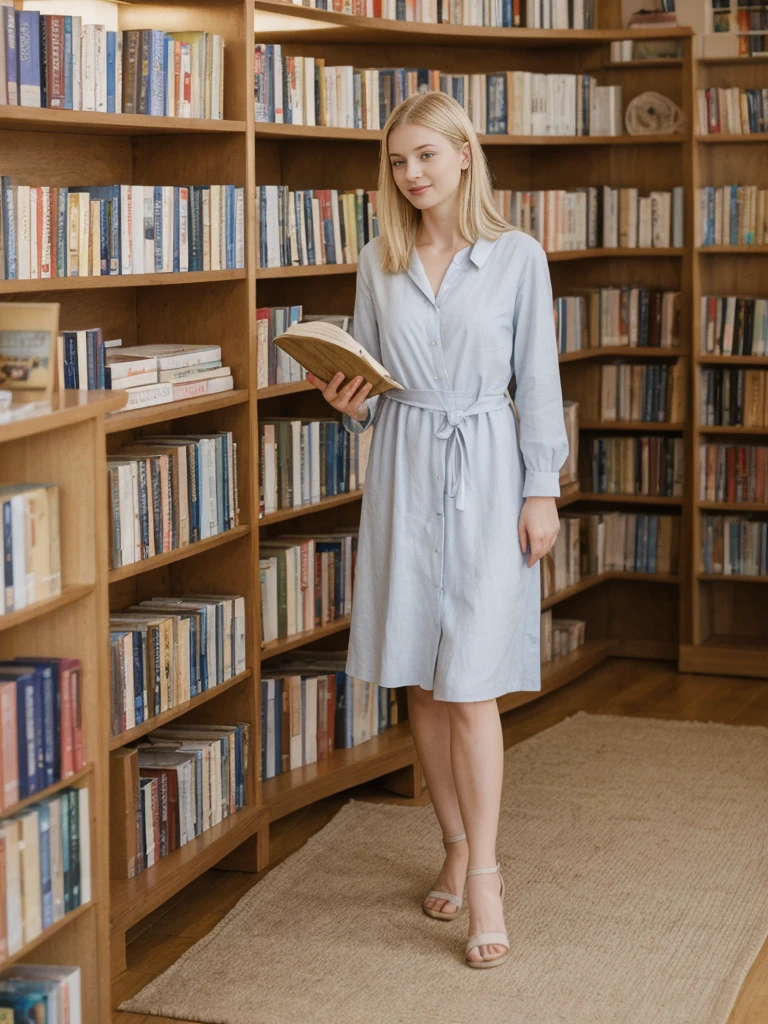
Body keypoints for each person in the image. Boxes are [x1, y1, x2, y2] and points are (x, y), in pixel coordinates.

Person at [306, 91, 569, 970]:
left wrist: (543, 491)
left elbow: (537, 378)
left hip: (490, 469)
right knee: (419, 673)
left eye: (424, 156)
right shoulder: (378, 260)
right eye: (396, 161)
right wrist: (345, 404)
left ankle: (486, 874)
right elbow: (371, 384)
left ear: (464, 154)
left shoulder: (516, 256)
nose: (410, 174)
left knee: (471, 684)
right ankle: (451, 839)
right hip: (405, 465)